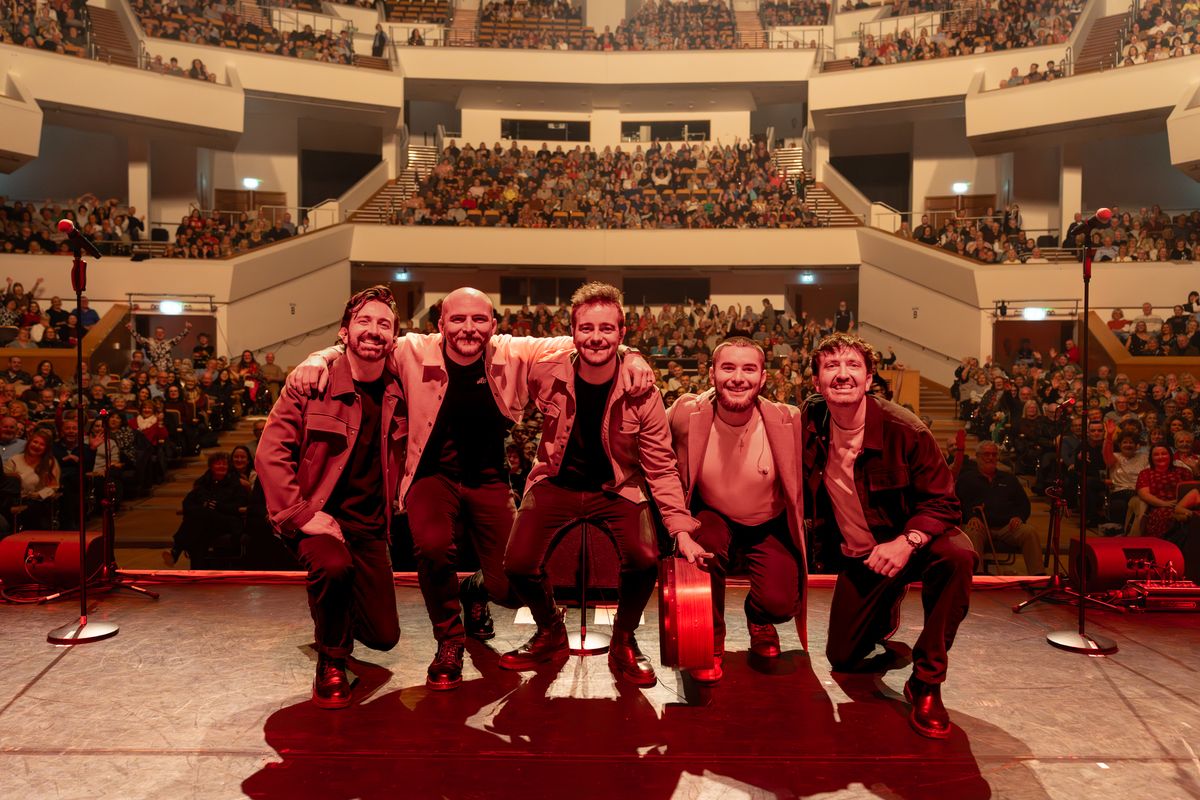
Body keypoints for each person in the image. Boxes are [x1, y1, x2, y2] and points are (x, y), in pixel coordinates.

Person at [288, 286, 654, 691]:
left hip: (488, 478)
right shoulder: (411, 349)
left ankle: (474, 590)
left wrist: (633, 355)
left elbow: (592, 339)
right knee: (431, 547)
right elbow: (361, 345)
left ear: (494, 326)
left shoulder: (514, 351)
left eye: (479, 320)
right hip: (431, 476)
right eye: (458, 319)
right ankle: (449, 641)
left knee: (512, 587)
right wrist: (317, 355)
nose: (468, 328)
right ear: (440, 325)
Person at [500, 283, 698, 688]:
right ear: (572, 332)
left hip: (618, 487)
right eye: (586, 328)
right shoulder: (546, 370)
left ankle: (624, 641)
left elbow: (661, 467)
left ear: (622, 334)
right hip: (555, 483)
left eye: (607, 329)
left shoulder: (644, 392)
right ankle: (550, 630)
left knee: (645, 558)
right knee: (517, 564)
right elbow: (500, 350)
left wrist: (680, 528)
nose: (596, 337)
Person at [802, 333, 975, 739]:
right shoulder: (809, 423)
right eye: (831, 367)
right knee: (842, 657)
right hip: (864, 556)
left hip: (916, 542)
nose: (843, 375)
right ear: (815, 382)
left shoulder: (906, 430)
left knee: (959, 556)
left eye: (853, 367)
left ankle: (927, 681)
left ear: (869, 378)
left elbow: (946, 505)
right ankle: (883, 614)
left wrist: (907, 541)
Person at [255, 286, 406, 709]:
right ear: (344, 332)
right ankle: (332, 659)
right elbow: (270, 453)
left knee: (383, 637)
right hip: (317, 515)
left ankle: (332, 614)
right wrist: (301, 515)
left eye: (384, 324)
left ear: (394, 338)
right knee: (334, 567)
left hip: (370, 525)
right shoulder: (310, 383)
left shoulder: (401, 388)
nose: (373, 331)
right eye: (364, 322)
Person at [665, 336, 806, 685]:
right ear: (712, 373)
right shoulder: (686, 412)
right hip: (713, 516)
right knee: (703, 545)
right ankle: (710, 640)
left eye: (749, 369)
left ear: (763, 378)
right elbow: (651, 445)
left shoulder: (788, 419)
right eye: (728, 367)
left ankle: (759, 618)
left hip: (767, 522)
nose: (738, 377)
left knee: (780, 604)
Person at [955, 441, 1043, 575]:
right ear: (977, 456)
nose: (991, 458)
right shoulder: (966, 479)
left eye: (994, 454)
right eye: (986, 454)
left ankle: (1038, 576)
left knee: (1029, 532)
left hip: (1007, 527)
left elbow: (1024, 504)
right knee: (972, 531)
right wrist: (970, 516)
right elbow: (957, 504)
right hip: (980, 526)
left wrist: (1018, 516)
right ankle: (978, 576)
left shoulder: (1009, 479)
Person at [3, 428, 59, 529]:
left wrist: (39, 495)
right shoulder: (14, 459)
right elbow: (5, 483)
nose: (37, 446)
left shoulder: (50, 462)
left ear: (46, 448)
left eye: (42, 444)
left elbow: (53, 486)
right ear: (29, 443)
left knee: (34, 509)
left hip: (37, 501)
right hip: (13, 500)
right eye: (35, 442)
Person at [127, 321, 193, 373]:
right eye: (158, 332)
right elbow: (139, 338)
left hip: (167, 369)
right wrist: (130, 329)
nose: (160, 334)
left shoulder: (168, 343)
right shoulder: (150, 342)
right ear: (155, 334)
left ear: (164, 334)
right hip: (154, 369)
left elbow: (179, 338)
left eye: (162, 332)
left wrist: (187, 329)